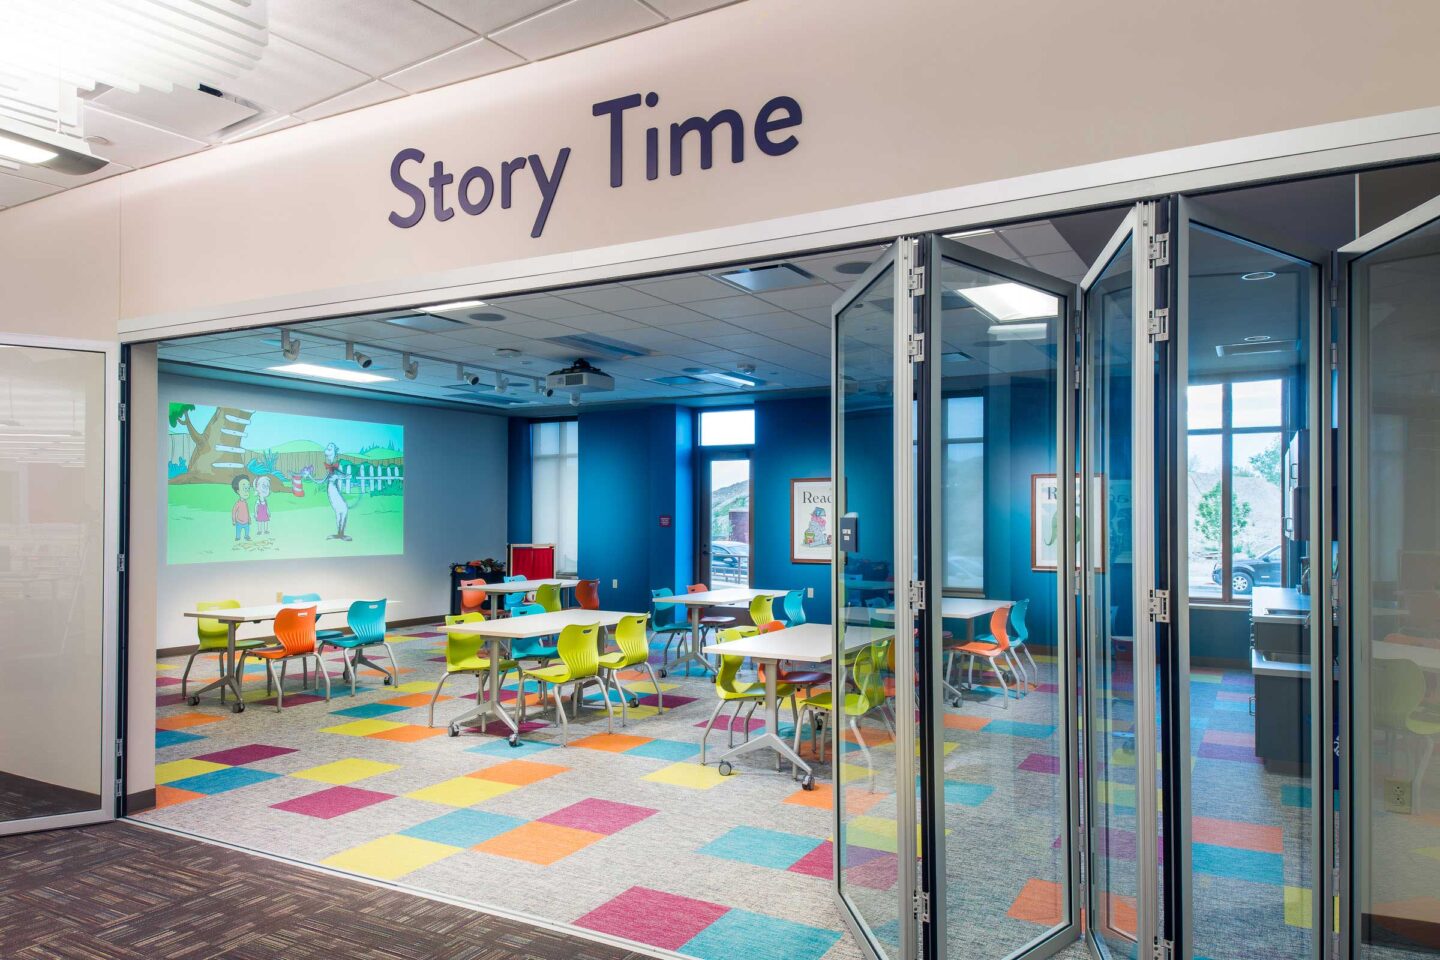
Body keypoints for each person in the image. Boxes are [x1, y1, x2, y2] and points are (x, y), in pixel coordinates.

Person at [231, 474, 253, 542]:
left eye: (248, 488)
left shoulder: (245, 503)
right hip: (239, 521)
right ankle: (238, 537)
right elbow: (234, 512)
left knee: (247, 530)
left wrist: (249, 519)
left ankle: (246, 536)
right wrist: (234, 520)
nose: (247, 491)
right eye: (244, 488)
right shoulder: (238, 504)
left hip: (246, 521)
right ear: (238, 491)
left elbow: (247, 511)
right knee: (238, 530)